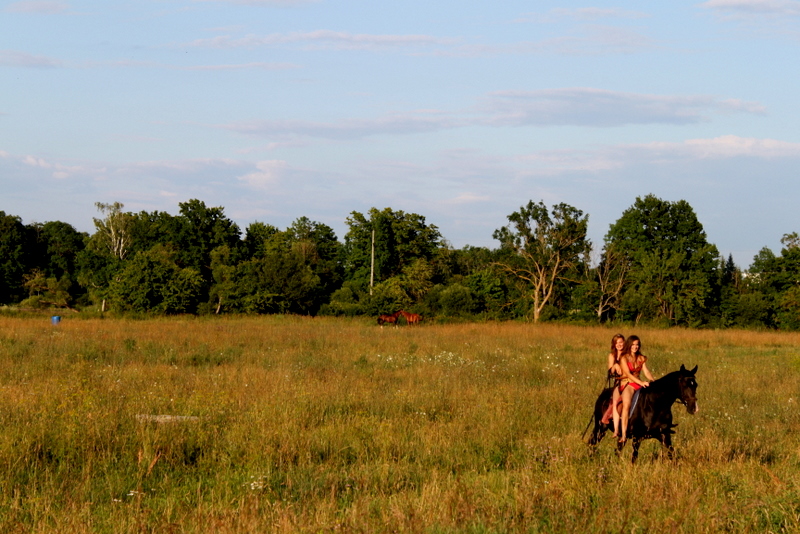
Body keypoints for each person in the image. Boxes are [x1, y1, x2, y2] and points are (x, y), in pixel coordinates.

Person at [618, 335, 655, 444]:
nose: (635, 347)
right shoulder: (624, 357)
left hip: (638, 383)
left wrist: (654, 381)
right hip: (628, 383)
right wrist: (641, 382)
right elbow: (628, 374)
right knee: (627, 405)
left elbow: (646, 372)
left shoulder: (641, 358)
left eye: (637, 344)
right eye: (633, 344)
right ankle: (624, 434)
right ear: (629, 345)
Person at [606, 334, 625, 437]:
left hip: (629, 380)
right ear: (614, 344)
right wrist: (615, 365)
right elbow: (610, 371)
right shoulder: (612, 355)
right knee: (615, 401)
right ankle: (616, 427)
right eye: (617, 343)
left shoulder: (627, 353)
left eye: (621, 342)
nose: (619, 345)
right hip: (618, 382)